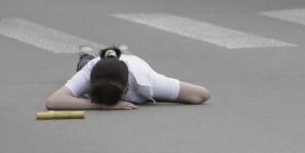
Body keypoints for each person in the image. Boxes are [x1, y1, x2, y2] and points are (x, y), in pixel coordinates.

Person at [45, 46, 210, 110]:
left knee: (129, 57)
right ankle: (87, 55)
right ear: (90, 84)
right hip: (96, 63)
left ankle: (125, 52)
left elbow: (202, 94)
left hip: (134, 64)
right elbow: (53, 101)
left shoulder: (146, 81)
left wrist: (164, 95)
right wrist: (101, 106)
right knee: (84, 64)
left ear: (126, 87)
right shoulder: (89, 72)